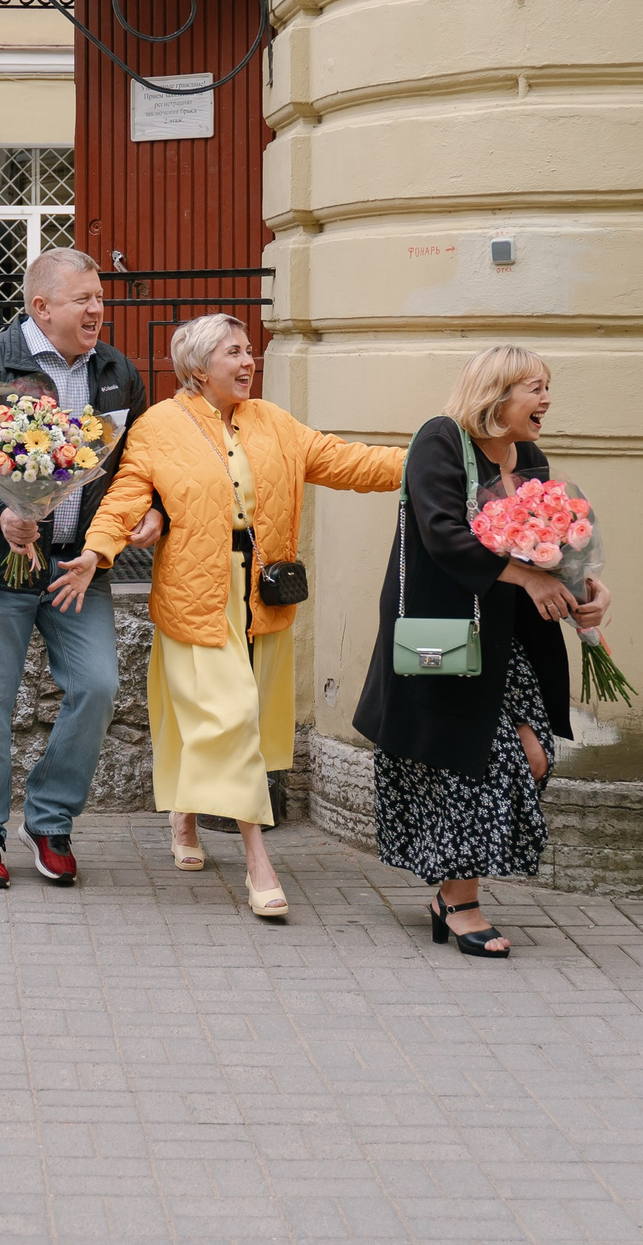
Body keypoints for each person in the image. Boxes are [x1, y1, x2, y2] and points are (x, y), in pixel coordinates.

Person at [61, 312, 405, 918]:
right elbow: (126, 494)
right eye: (234, 352)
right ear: (197, 367)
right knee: (233, 717)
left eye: (249, 351)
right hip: (199, 595)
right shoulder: (159, 426)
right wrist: (97, 551)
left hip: (261, 596)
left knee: (233, 719)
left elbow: (344, 461)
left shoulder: (272, 421)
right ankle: (257, 861)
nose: (249, 362)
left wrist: (425, 464)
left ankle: (185, 819)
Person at [351, 346, 612, 958]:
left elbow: (549, 546)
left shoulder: (534, 458)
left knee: (534, 757)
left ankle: (451, 893)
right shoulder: (441, 441)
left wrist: (584, 592)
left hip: (513, 639)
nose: (546, 399)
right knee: (480, 760)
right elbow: (442, 532)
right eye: (534, 388)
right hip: (448, 634)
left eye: (548, 386)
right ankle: (461, 901)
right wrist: (529, 579)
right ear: (496, 394)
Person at [0, 247, 152, 890]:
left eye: (99, 298)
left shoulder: (116, 371)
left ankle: (50, 818)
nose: (97, 309)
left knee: (97, 686)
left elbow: (139, 458)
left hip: (77, 569)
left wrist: (152, 511)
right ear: (41, 306)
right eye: (83, 298)